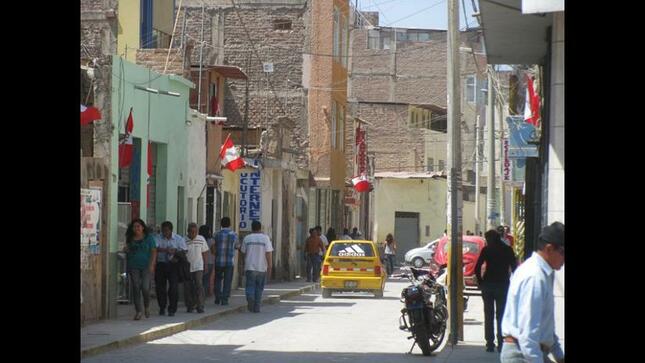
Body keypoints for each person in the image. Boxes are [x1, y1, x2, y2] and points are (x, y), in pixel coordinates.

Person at [500, 222, 565, 363]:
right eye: (563, 253)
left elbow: (545, 325)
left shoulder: (544, 273)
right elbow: (528, 333)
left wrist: (559, 355)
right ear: (549, 249)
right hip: (522, 353)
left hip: (529, 351)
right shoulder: (534, 277)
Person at [474, 229, 518, 353]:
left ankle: (489, 343)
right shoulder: (507, 249)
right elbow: (514, 267)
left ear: (490, 238)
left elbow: (477, 268)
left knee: (488, 315)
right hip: (503, 285)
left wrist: (481, 281)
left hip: (488, 285)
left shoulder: (487, 250)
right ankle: (500, 343)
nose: (487, 241)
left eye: (487, 239)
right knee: (501, 315)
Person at [124, 219, 157, 320]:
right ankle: (138, 311)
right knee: (136, 287)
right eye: (134, 226)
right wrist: (126, 250)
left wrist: (151, 264)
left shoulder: (149, 238)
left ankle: (146, 306)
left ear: (143, 227)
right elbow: (128, 250)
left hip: (146, 266)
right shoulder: (130, 238)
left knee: (145, 287)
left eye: (138, 226)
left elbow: (153, 251)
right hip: (133, 266)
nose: (136, 228)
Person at [154, 221, 187, 317]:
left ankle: (172, 308)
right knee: (160, 287)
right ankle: (162, 307)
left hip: (173, 264)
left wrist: (175, 252)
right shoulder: (158, 237)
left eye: (166, 231)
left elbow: (184, 250)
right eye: (163, 231)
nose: (165, 233)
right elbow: (155, 248)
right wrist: (166, 250)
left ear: (171, 230)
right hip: (161, 264)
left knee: (173, 287)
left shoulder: (178, 238)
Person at [240, 220, 274, 313]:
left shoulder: (247, 238)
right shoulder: (265, 238)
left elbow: (243, 253)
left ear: (252, 228)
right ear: (260, 228)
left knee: (250, 285)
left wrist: (242, 264)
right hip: (262, 268)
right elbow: (269, 253)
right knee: (259, 288)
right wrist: (270, 266)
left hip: (249, 267)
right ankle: (257, 307)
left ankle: (250, 297)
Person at [184, 223, 210, 313]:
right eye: (191, 232)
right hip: (187, 267)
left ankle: (200, 305)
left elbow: (205, 252)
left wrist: (205, 264)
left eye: (195, 232)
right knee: (189, 286)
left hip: (198, 266)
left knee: (199, 285)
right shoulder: (184, 240)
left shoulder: (201, 239)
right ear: (188, 232)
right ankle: (190, 305)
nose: (193, 234)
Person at [212, 217, 238, 306]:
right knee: (227, 280)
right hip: (229, 262)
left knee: (218, 279)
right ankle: (225, 299)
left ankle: (217, 297)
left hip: (219, 260)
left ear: (221, 224)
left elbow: (213, 246)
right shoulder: (234, 234)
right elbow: (237, 246)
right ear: (230, 224)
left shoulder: (216, 234)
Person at [199, 225, 215, 299]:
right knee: (206, 280)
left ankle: (200, 295)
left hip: (200, 262)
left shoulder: (199, 240)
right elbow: (214, 251)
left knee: (200, 280)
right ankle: (204, 295)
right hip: (210, 262)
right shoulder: (211, 241)